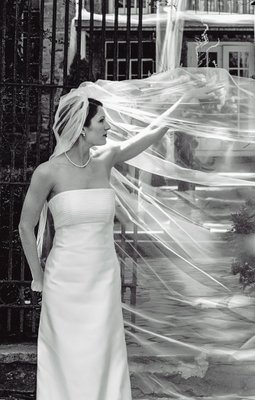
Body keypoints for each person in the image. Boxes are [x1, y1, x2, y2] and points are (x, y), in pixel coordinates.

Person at [18, 88, 186, 399]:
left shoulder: (106, 159)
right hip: (65, 280)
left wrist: (179, 107)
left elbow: (148, 136)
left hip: (103, 276)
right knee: (66, 353)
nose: (108, 126)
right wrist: (38, 277)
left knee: (103, 351)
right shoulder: (48, 172)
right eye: (102, 121)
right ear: (82, 128)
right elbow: (26, 226)